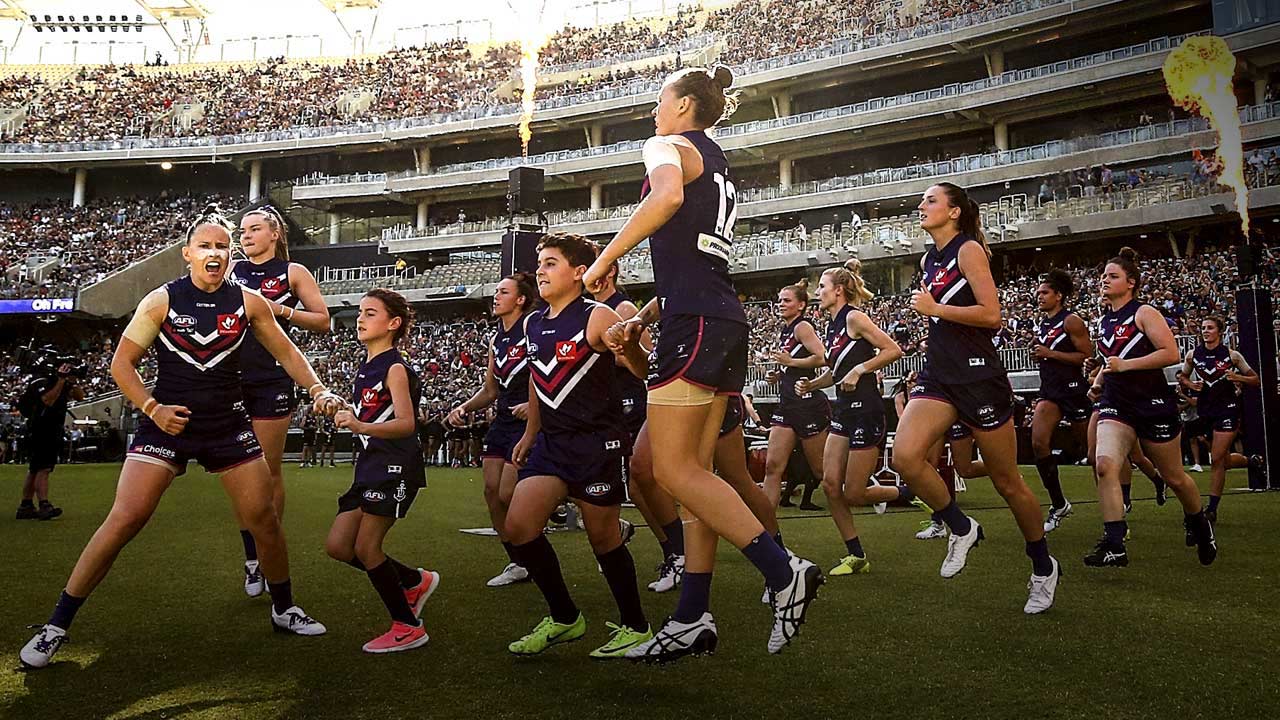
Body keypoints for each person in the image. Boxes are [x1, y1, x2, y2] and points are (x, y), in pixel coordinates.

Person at [20, 207, 333, 670]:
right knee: (125, 518)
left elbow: (288, 353)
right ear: (187, 254)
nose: (215, 253)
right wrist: (152, 408)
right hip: (166, 425)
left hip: (228, 426)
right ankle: (56, 625)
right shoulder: (160, 300)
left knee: (263, 518)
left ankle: (283, 607)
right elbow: (121, 365)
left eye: (222, 246)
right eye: (205, 246)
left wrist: (318, 389)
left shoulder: (249, 302)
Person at [586, 65, 822, 660]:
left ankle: (781, 569)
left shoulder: (666, 145)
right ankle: (693, 614)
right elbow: (696, 257)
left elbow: (664, 199)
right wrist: (642, 317)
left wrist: (605, 258)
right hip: (715, 318)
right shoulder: (718, 162)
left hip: (695, 325)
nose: (653, 113)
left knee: (671, 470)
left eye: (660, 102)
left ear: (685, 103)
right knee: (695, 475)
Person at [890, 182, 1060, 614]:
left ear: (954, 212)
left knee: (1008, 483)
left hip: (979, 377)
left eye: (930, 200)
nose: (921, 206)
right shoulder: (929, 258)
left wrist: (935, 310)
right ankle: (961, 526)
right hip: (938, 375)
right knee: (906, 458)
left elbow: (991, 315)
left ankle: (1042, 566)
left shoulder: (969, 250)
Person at [505, 233, 652, 659]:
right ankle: (565, 617)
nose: (542, 271)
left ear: (579, 272)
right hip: (553, 444)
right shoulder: (533, 322)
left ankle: (635, 625)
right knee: (519, 526)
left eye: (551, 263)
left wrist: (630, 348)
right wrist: (531, 432)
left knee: (602, 537)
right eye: (540, 264)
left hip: (597, 444)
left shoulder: (598, 315)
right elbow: (538, 379)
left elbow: (640, 368)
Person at [322, 289, 439, 654]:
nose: (360, 319)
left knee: (367, 548)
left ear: (393, 323)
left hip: (394, 467)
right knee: (339, 546)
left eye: (370, 313)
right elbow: (373, 414)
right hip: (370, 467)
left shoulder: (394, 367)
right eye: (360, 312)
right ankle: (413, 580)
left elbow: (406, 424)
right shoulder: (367, 365)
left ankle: (408, 625)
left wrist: (360, 426)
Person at [1086, 247, 1217, 568]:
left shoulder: (1143, 312)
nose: (1105, 280)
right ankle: (1115, 542)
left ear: (1130, 283)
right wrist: (1100, 379)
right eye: (1103, 276)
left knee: (1174, 477)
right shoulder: (1103, 320)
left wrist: (1124, 365)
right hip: (1116, 402)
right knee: (1103, 464)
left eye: (1113, 276)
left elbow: (1170, 353)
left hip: (1153, 403)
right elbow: (1111, 361)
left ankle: (1199, 523)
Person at [230, 205, 330, 596]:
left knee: (268, 471)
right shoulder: (231, 271)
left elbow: (322, 320)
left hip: (272, 377)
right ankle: (252, 560)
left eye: (255, 229)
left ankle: (269, 552)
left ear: (275, 234)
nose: (246, 235)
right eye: (242, 230)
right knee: (241, 472)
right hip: (231, 380)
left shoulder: (293, 273)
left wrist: (280, 309)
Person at [795, 261, 908, 576]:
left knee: (854, 493)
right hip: (844, 410)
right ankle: (856, 555)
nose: (818, 293)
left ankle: (908, 493)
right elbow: (836, 373)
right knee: (831, 485)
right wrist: (812, 384)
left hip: (867, 410)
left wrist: (861, 370)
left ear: (838, 291)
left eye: (822, 287)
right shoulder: (831, 325)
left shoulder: (855, 318)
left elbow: (893, 350)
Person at [448, 274, 536, 588]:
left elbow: (548, 374)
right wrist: (464, 407)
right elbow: (490, 389)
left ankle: (560, 504)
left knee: (508, 492)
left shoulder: (533, 327)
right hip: (502, 420)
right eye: (496, 291)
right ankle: (517, 561)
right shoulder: (496, 339)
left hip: (528, 421)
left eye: (503, 292)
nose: (496, 296)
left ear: (521, 299)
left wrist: (533, 404)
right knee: (491, 491)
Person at [1176, 315, 1260, 524]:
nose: (1205, 331)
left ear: (1219, 332)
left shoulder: (1232, 356)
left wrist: (1238, 377)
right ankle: (1252, 461)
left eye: (1210, 328)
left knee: (1216, 458)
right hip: (1206, 410)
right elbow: (1183, 377)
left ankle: (1211, 509)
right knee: (1221, 460)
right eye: (1203, 327)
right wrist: (1190, 384)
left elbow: (1255, 379)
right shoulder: (1193, 354)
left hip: (1227, 409)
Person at [1030, 269, 1093, 533]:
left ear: (1059, 295)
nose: (1039, 296)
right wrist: (1041, 355)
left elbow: (1086, 356)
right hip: (1050, 391)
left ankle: (1123, 499)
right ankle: (1058, 503)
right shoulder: (1043, 323)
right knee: (1038, 443)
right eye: (1039, 292)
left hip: (1073, 390)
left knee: (1092, 452)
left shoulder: (1071, 321)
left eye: (1045, 292)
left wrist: (1050, 354)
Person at [763, 280, 830, 511]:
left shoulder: (802, 327)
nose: (780, 304)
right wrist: (780, 374)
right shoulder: (786, 329)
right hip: (787, 405)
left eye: (786, 300)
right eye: (780, 300)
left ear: (801, 305)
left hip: (807, 405)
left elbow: (822, 357)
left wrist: (791, 362)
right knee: (773, 467)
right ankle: (767, 529)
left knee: (822, 471)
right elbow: (793, 366)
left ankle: (864, 490)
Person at [15, 352, 84, 521]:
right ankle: (44, 504)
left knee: (35, 468)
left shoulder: (56, 381)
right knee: (43, 468)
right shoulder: (40, 380)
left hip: (51, 428)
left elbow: (80, 397)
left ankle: (26, 505)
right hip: (42, 428)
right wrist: (60, 380)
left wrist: (72, 382)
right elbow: (48, 400)